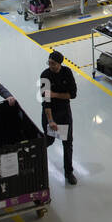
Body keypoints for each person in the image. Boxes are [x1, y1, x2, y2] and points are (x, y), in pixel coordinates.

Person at [40, 50, 78, 185]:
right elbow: (46, 101)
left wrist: (55, 94)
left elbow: (72, 95)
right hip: (50, 113)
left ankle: (69, 172)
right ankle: (37, 162)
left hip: (64, 113)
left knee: (67, 143)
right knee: (48, 141)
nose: (51, 66)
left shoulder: (67, 73)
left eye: (53, 63)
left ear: (60, 64)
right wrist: (50, 121)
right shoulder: (44, 75)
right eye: (49, 63)